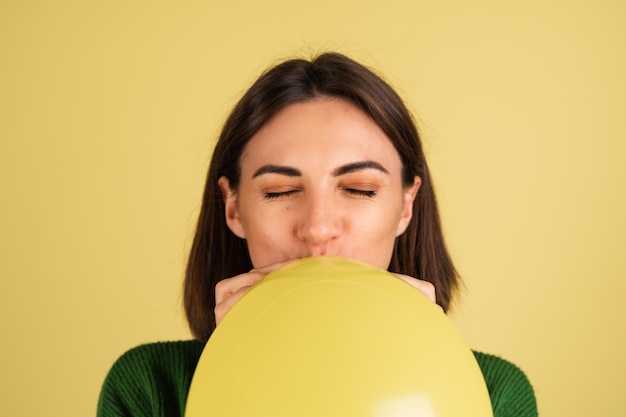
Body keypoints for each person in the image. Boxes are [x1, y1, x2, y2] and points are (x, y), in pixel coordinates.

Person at [97, 52, 537, 417]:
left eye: (360, 189)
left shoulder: (494, 394)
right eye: (281, 191)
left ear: (405, 205)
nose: (318, 227)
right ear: (233, 207)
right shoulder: (148, 389)